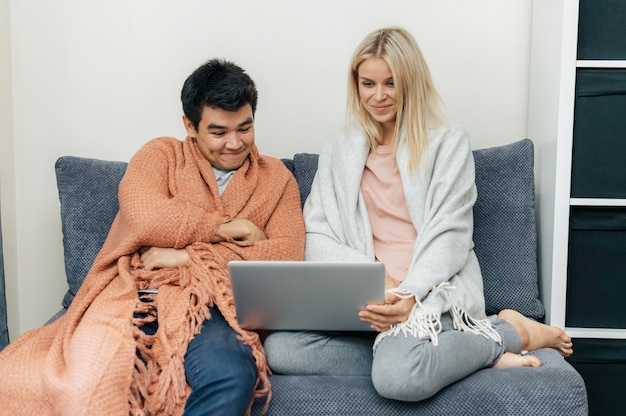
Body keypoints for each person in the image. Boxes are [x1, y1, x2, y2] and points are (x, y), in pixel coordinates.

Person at [263, 27, 573, 402]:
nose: (378, 96)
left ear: (411, 82)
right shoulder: (338, 150)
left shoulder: (446, 140)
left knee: (399, 379)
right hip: (371, 296)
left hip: (431, 291)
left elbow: (452, 234)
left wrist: (409, 293)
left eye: (391, 83)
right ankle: (449, 354)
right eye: (368, 83)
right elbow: (315, 235)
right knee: (280, 349)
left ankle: (511, 332)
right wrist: (375, 281)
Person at [0, 59, 305, 415]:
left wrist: (186, 256)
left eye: (245, 128)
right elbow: (144, 215)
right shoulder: (159, 155)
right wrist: (226, 229)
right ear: (189, 126)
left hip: (217, 303)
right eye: (219, 132)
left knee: (232, 373)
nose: (235, 143)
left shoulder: (277, 179)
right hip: (139, 293)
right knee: (90, 381)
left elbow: (287, 254)